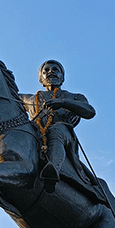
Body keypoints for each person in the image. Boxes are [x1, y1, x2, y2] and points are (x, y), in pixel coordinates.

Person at [19, 60, 96, 193]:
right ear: (40, 79)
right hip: (37, 135)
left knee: (57, 129)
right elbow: (5, 94)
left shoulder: (74, 97)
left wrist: (63, 103)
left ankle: (52, 170)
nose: (50, 72)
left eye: (55, 70)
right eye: (46, 70)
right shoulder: (30, 99)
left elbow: (90, 111)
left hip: (64, 134)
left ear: (62, 77)